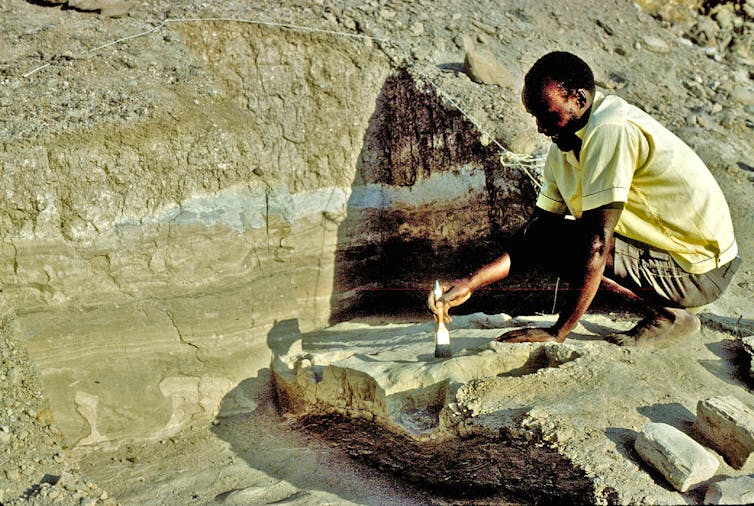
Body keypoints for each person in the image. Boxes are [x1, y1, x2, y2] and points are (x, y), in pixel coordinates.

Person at [429, 51, 740, 346]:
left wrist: (558, 332)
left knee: (582, 244)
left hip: (699, 271)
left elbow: (596, 245)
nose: (540, 128)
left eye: (547, 115)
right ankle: (667, 309)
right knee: (546, 235)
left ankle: (669, 316)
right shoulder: (563, 147)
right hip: (673, 260)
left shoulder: (610, 128)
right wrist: (470, 282)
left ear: (578, 99)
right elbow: (534, 237)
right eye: (534, 116)